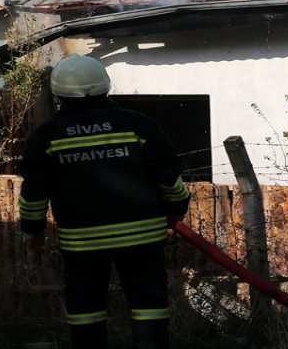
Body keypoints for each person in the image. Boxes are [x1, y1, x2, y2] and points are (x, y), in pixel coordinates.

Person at [18, 55, 191, 349]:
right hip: (143, 238)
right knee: (149, 303)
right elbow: (169, 178)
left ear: (58, 92)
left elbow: (33, 193)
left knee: (85, 309)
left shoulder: (46, 136)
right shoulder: (138, 125)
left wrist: (32, 231)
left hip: (82, 244)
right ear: (105, 87)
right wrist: (176, 209)